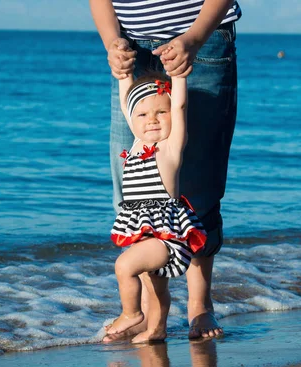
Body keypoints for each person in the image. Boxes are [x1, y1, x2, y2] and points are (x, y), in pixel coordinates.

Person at [90, 0, 241, 339]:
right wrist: (112, 42)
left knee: (199, 186)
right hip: (130, 44)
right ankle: (150, 314)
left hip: (199, 38)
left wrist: (194, 38)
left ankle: (200, 306)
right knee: (130, 190)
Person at [105, 72, 207, 343]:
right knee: (155, 287)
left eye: (161, 112)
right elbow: (129, 103)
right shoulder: (138, 143)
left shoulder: (170, 147)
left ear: (172, 113)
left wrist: (180, 77)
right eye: (143, 115)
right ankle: (157, 329)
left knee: (124, 266)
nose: (151, 120)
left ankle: (131, 313)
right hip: (147, 234)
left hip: (167, 238)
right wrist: (124, 75)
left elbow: (180, 105)